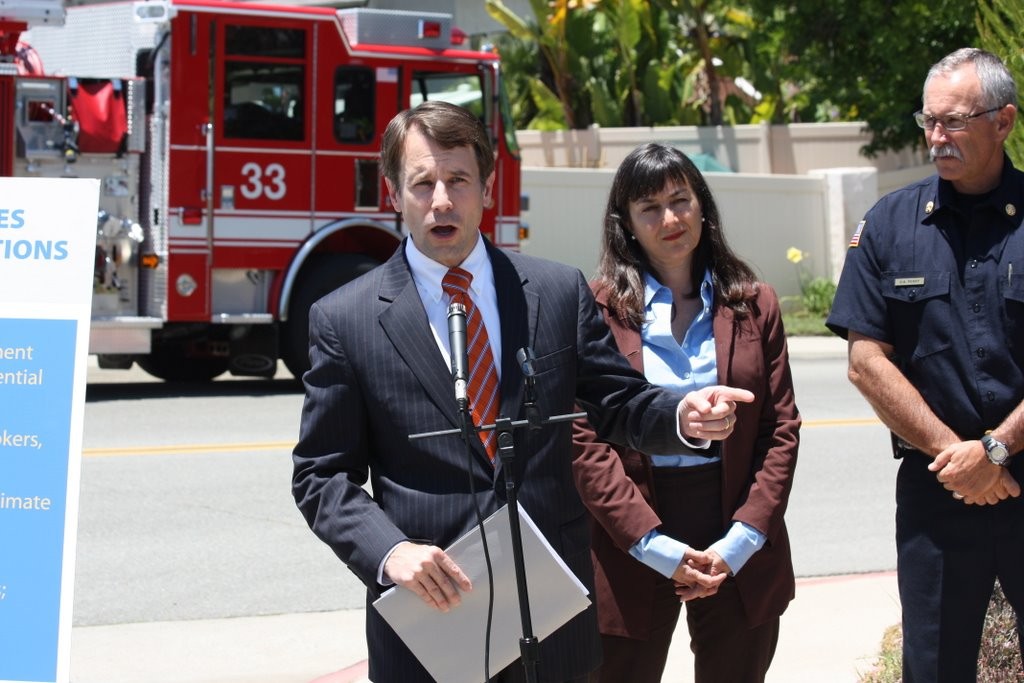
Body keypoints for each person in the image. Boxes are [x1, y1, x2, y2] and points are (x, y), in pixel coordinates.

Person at [291, 101, 753, 683]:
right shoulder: (346, 319)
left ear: (487, 187)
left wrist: (682, 413)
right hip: (432, 618)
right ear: (392, 193)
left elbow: (621, 404)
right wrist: (390, 554)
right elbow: (319, 475)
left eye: (458, 180)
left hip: (550, 611)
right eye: (423, 183)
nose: (441, 200)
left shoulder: (557, 292)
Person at [826, 47, 1024, 682]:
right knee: (934, 669)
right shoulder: (890, 222)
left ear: (1004, 121)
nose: (937, 136)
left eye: (955, 121)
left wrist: (995, 450)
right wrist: (959, 457)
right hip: (937, 490)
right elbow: (865, 361)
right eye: (929, 121)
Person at [571, 143, 800, 683]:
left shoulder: (755, 302)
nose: (669, 218)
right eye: (649, 207)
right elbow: (583, 438)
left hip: (737, 530)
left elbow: (780, 429)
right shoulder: (595, 308)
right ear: (625, 222)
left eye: (680, 199)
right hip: (629, 532)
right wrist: (650, 545)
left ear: (703, 206)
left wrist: (740, 542)